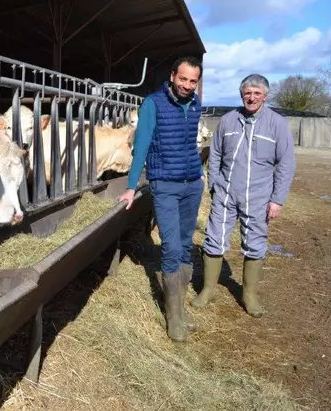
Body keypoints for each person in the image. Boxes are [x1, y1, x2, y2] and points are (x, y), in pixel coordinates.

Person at [191, 74, 295, 318]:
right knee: (214, 238)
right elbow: (214, 153)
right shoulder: (228, 121)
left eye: (257, 94)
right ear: (241, 94)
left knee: (255, 243)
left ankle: (249, 295)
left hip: (259, 195)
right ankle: (208, 289)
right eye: (247, 93)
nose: (251, 97)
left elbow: (286, 163)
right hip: (226, 192)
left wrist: (277, 199)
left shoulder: (277, 124)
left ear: (265, 97)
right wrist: (214, 184)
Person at [118, 56, 204, 343]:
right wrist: (132, 187)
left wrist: (200, 175)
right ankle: (173, 318)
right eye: (183, 79)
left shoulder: (195, 105)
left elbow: (191, 143)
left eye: (193, 81)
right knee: (170, 246)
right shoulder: (153, 104)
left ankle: (180, 311)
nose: (188, 85)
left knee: (185, 245)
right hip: (165, 184)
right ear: (172, 76)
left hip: (192, 184)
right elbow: (140, 146)